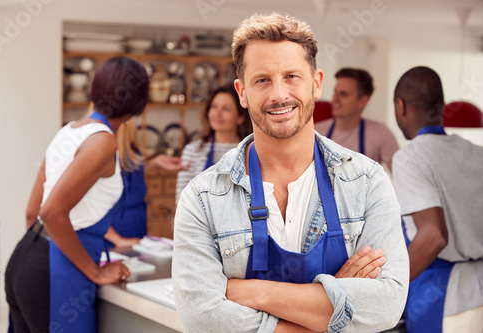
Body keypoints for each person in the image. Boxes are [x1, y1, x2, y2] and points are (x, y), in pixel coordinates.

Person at [172, 12, 409, 333]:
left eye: (292, 76)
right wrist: (331, 305)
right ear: (242, 92)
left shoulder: (367, 182)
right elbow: (201, 319)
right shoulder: (202, 198)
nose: (279, 94)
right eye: (262, 80)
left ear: (316, 83)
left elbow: (386, 305)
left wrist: (252, 291)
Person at [5, 56, 149, 332]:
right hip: (56, 268)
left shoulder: (68, 131)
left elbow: (32, 212)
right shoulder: (103, 141)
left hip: (25, 257)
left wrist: (37, 260)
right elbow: (51, 212)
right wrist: (94, 272)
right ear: (138, 104)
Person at [392, 66, 483, 333]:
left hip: (446, 300)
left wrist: (388, 288)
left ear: (400, 106)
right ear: (442, 107)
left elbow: (433, 236)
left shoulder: (410, 157)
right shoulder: (476, 153)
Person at [104, 118, 188, 247]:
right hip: (112, 238)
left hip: (137, 230)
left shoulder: (131, 149)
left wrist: (154, 163)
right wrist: (117, 240)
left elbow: (130, 173)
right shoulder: (105, 155)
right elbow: (91, 210)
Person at [175, 85, 251, 204]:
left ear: (240, 117)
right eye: (214, 107)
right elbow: (182, 201)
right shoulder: (193, 150)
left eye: (226, 108)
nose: (217, 114)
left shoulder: (249, 151)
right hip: (200, 221)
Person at [315, 68, 399, 171]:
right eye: (335, 92)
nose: (335, 99)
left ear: (362, 101)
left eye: (343, 94)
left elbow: (401, 174)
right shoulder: (316, 133)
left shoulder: (380, 133)